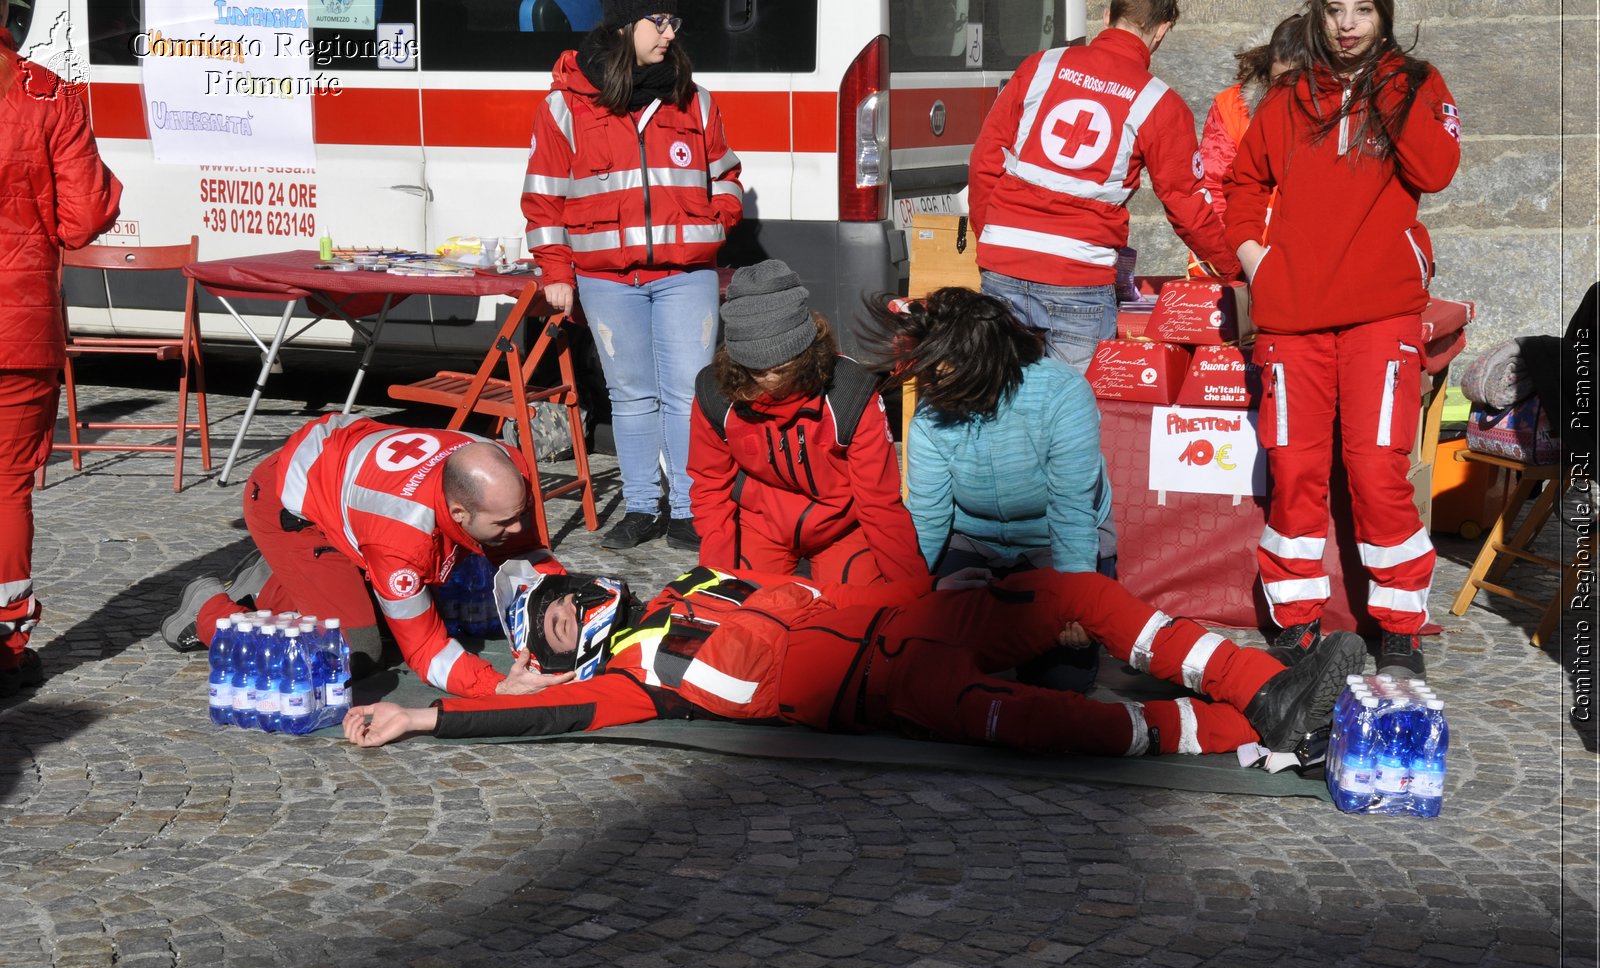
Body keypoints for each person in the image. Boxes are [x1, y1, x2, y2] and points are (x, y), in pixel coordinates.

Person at [343, 563, 1367, 770]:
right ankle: (1259, 719)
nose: (561, 606)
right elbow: (544, 718)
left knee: (1080, 596)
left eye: (558, 590)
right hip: (895, 691)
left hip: (923, 615)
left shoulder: (696, 579)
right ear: (550, 651)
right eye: (547, 622)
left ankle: (1265, 688)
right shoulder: (631, 675)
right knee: (1078, 728)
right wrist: (423, 717)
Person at [1226, 0, 1460, 676]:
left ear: (1384, 16)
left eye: (1364, 9)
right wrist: (1255, 260)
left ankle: (1400, 630)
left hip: (1380, 316)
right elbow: (1244, 182)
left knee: (1375, 471)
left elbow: (1434, 170)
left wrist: (1389, 86)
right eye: (1335, 9)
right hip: (1292, 319)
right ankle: (1294, 622)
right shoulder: (1291, 97)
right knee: (1295, 470)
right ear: (1319, 15)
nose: (1348, 23)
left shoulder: (1418, 84)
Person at [521, 0, 743, 551]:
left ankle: (690, 510)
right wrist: (556, 269)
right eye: (658, 22)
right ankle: (644, 507)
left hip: (684, 276)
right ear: (624, 25)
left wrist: (714, 227)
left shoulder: (696, 99)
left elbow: (728, 179)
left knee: (688, 395)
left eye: (676, 23)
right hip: (607, 280)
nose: (669, 34)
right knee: (631, 397)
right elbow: (544, 198)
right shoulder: (564, 105)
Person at [160, 414, 559, 698]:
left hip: (339, 478)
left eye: (521, 513)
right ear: (458, 512)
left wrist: (566, 596)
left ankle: (277, 577)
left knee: (392, 605)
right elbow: (427, 650)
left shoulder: (506, 471)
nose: (520, 526)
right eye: (507, 521)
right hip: (287, 503)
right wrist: (497, 687)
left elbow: (525, 552)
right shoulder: (401, 541)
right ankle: (211, 609)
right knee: (353, 651)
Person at [966, 0, 1241, 371]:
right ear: (1162, 30)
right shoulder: (1160, 103)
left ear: (1108, 15)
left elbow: (986, 160)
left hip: (1003, 267)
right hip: (1078, 279)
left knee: (996, 406)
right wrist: (1234, 270)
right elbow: (1186, 204)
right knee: (1073, 416)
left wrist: (993, 240)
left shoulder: (1040, 67)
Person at [861, 287, 1114, 691]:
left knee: (1060, 681)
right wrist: (912, 595)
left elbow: (1072, 507)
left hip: (1052, 540)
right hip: (971, 540)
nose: (935, 387)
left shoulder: (1063, 393)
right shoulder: (930, 413)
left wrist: (1076, 602)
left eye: (945, 371)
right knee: (924, 663)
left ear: (984, 361)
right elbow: (927, 516)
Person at [0, 1, 122, 697]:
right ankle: (6, 642)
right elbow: (82, 220)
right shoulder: (49, 94)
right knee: (6, 487)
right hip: (17, 327)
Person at [688, 260, 926, 585]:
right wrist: (715, 581)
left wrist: (916, 591)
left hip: (841, 528)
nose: (770, 379)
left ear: (806, 353)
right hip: (760, 525)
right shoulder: (714, 393)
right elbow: (710, 487)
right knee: (747, 614)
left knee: (853, 619)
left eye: (782, 368)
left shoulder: (850, 393)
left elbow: (879, 502)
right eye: (756, 370)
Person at [1197, 14, 1306, 234]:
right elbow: (1213, 187)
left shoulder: (1336, 113)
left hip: (1299, 251)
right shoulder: (1231, 107)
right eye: (1278, 81)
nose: (1285, 92)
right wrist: (1240, 255)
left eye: (1295, 82)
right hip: (1242, 249)